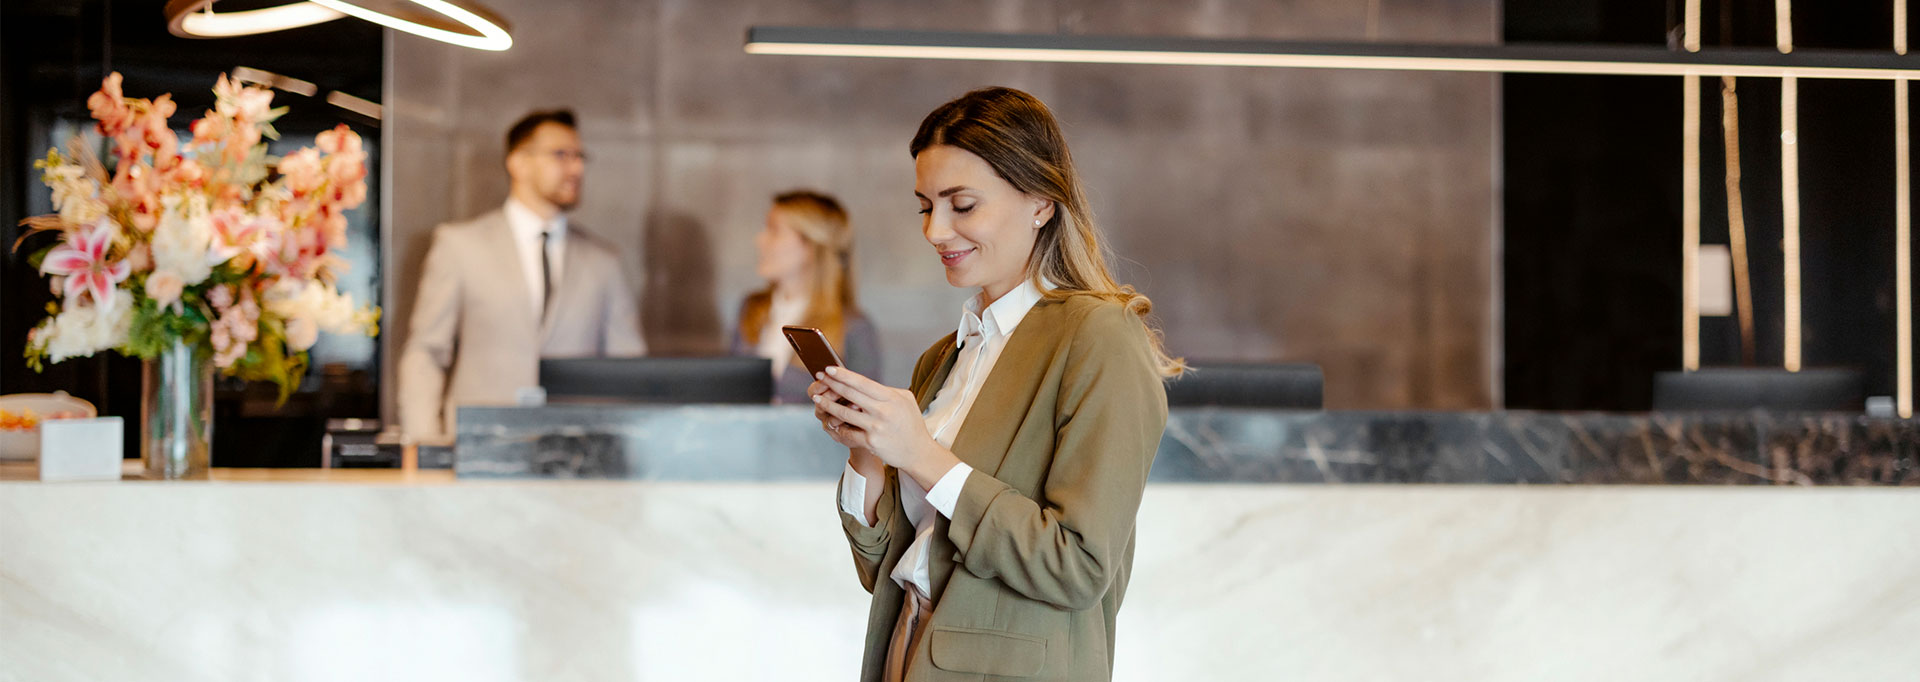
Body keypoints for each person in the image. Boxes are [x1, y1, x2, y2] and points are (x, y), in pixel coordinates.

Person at [809, 87, 1183, 682]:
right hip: (906, 650)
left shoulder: (1099, 338)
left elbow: (1077, 568)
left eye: (962, 205)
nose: (935, 230)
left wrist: (923, 456)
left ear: (1040, 202)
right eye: (925, 206)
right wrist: (867, 449)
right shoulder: (948, 355)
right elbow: (884, 567)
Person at [398, 109, 645, 441]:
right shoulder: (459, 246)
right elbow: (426, 351)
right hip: (480, 447)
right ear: (518, 163)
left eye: (580, 157)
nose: (577, 168)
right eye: (561, 155)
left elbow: (628, 369)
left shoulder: (604, 261)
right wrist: (423, 442)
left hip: (576, 453)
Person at [731, 190, 882, 403]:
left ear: (810, 245)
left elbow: (867, 412)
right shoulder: (752, 309)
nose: (760, 240)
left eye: (774, 230)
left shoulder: (854, 328)